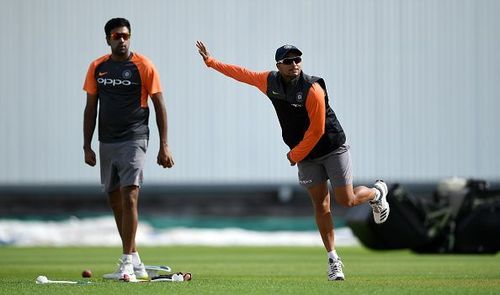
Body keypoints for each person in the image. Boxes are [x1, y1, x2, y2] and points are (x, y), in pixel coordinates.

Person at [196, 41, 389, 281]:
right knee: (321, 205)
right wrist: (211, 62)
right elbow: (242, 74)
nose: (294, 64)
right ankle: (333, 260)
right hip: (306, 155)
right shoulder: (269, 82)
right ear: (278, 65)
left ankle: (376, 194)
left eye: (298, 59)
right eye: (288, 61)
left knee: (346, 200)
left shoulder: (312, 88)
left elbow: (317, 131)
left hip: (331, 147)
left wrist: (294, 155)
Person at [83, 18, 174, 281]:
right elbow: (91, 107)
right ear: (108, 39)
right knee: (114, 200)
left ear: (130, 37)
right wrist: (87, 145)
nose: (121, 40)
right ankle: (134, 259)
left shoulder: (144, 65)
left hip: (135, 138)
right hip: (106, 141)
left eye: (125, 36)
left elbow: (160, 105)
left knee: (130, 194)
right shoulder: (97, 67)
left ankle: (125, 262)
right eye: (116, 36)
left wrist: (164, 145)